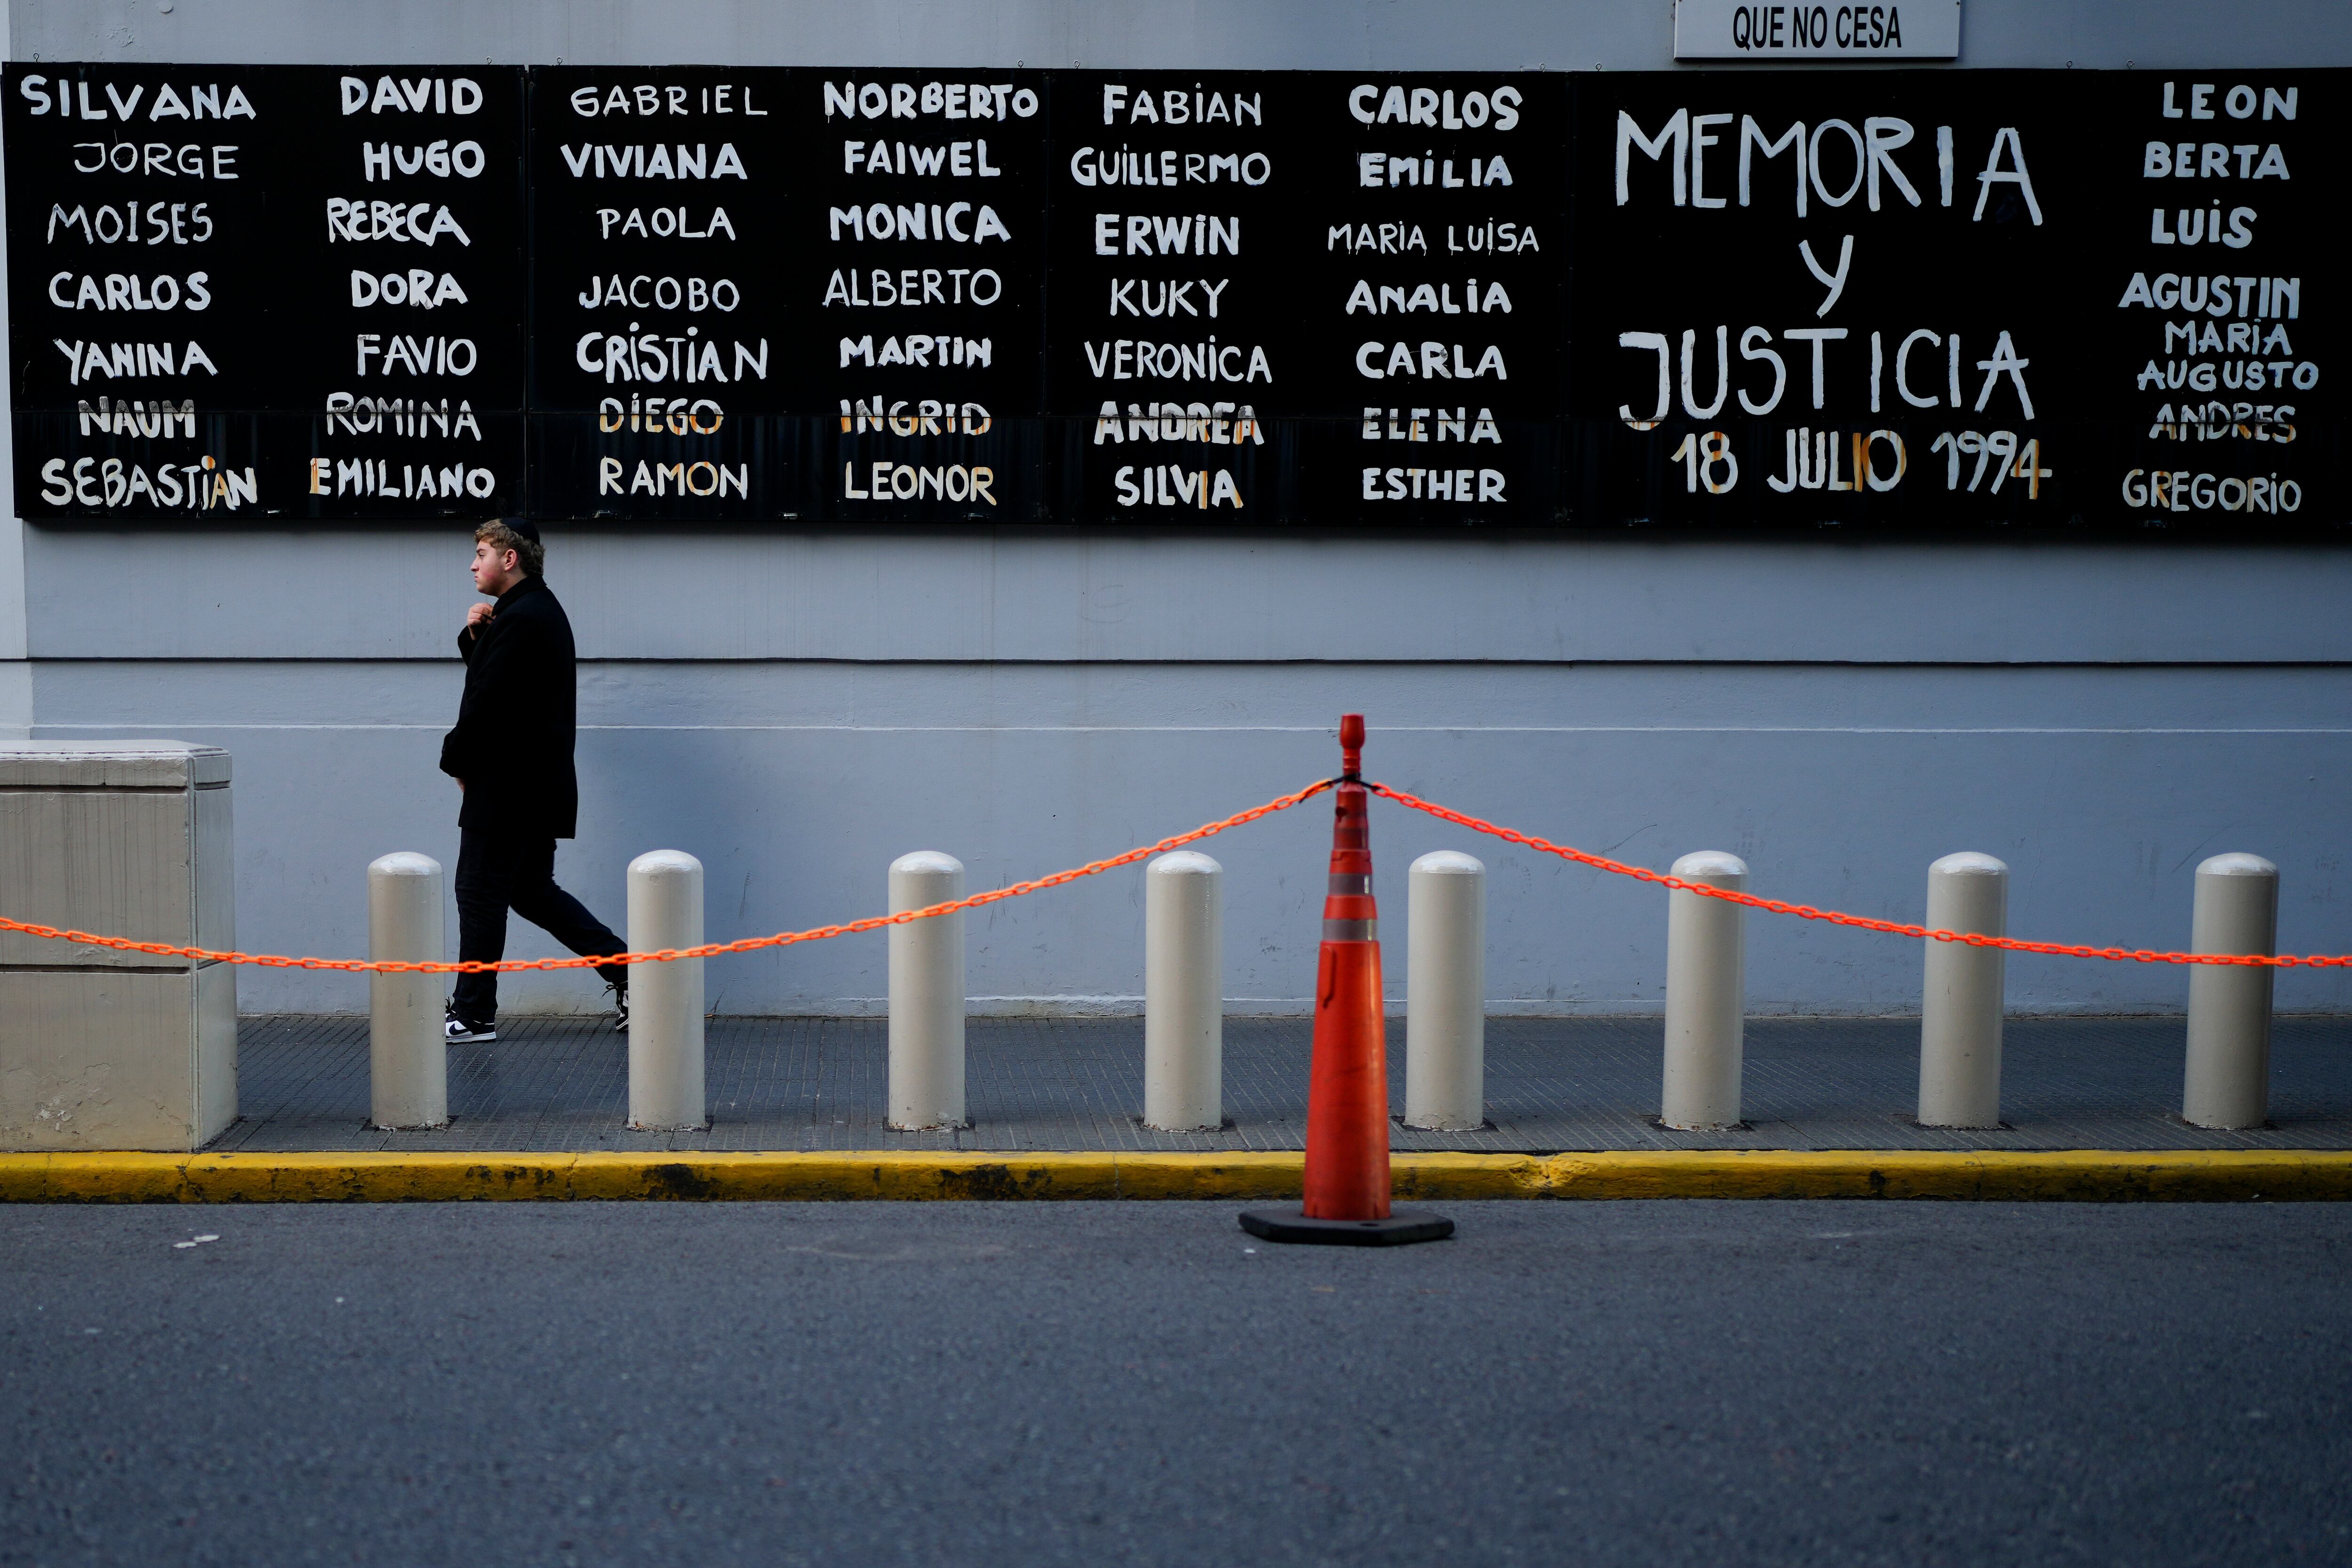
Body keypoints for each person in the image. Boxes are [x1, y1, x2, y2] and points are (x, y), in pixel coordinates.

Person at [437, 517, 628, 1042]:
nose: (474, 564)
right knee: (530, 891)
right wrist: (477, 637)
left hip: (507, 787)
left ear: (510, 558)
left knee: (478, 892)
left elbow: (487, 703)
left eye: (481, 553)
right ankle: (631, 973)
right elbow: (507, 685)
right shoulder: (529, 613)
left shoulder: (524, 617)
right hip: (531, 786)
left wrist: (455, 760)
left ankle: (474, 1014)